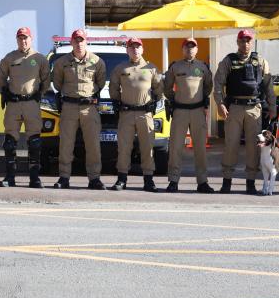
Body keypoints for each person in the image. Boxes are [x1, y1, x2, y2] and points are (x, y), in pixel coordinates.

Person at [213, 29, 276, 194]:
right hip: (233, 108)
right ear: (237, 42)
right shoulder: (228, 61)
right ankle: (226, 182)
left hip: (254, 109)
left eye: (248, 40)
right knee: (230, 145)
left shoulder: (260, 61)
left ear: (252, 42)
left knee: (253, 147)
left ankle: (250, 183)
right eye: (242, 40)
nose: (245, 43)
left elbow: (269, 86)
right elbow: (218, 83)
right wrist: (220, 104)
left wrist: (273, 106)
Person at [50, 29, 106, 190]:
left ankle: (94, 178)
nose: (79, 43)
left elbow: (100, 83)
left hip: (89, 108)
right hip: (69, 107)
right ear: (71, 42)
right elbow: (57, 84)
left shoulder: (97, 62)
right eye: (76, 40)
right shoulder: (61, 62)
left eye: (81, 40)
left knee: (93, 144)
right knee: (66, 144)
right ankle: (64, 177)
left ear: (86, 41)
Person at [108, 37, 165, 192]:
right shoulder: (121, 68)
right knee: (124, 147)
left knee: (147, 147)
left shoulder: (151, 68)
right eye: (132, 47)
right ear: (127, 50)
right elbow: (113, 87)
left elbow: (159, 88)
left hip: (145, 113)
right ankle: (121, 179)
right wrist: (117, 101)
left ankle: (148, 180)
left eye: (138, 47)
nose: (135, 50)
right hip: (126, 113)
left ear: (142, 49)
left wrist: (155, 101)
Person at [0, 26, 50, 188]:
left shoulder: (39, 58)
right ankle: (10, 177)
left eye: (26, 38)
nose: (23, 41)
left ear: (31, 39)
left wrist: (38, 94)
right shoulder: (10, 58)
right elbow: (0, 76)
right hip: (13, 104)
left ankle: (34, 178)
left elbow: (46, 80)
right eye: (20, 38)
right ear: (17, 40)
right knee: (10, 142)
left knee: (34, 142)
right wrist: (5, 90)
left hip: (31, 104)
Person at [163, 37, 215, 193]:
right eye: (187, 46)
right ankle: (173, 180)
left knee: (200, 148)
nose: (190, 49)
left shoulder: (203, 68)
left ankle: (202, 182)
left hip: (198, 111)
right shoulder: (175, 67)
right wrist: (175, 101)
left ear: (197, 49)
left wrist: (200, 99)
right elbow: (167, 88)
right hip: (180, 112)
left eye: (193, 47)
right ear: (182, 49)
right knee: (175, 147)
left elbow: (208, 87)